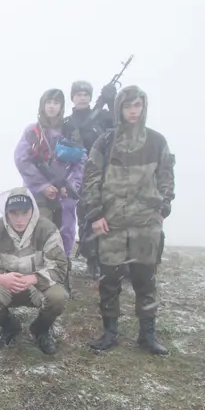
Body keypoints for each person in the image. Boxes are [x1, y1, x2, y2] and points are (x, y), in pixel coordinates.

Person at [82, 86, 175, 355]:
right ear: (119, 108)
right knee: (109, 281)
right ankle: (110, 332)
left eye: (138, 105)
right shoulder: (106, 142)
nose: (133, 111)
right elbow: (91, 179)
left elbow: (167, 177)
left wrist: (163, 209)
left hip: (146, 226)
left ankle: (148, 335)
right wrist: (96, 214)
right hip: (111, 225)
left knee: (146, 281)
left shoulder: (157, 141)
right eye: (128, 106)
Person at [0, 188, 68, 355]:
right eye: (13, 213)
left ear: (33, 210)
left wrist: (34, 278)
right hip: (5, 285)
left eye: (24, 212)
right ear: (6, 212)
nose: (19, 219)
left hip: (37, 285)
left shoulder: (47, 229)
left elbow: (59, 266)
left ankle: (41, 329)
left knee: (59, 297)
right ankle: (9, 326)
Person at [14, 89, 85, 295]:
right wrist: (42, 186)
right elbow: (22, 160)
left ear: (62, 106)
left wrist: (70, 185)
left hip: (65, 196)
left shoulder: (71, 130)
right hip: (39, 196)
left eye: (56, 102)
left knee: (66, 234)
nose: (52, 106)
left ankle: (62, 275)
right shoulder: (33, 131)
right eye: (49, 102)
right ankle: (37, 278)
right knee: (41, 233)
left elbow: (81, 160)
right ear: (42, 105)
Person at [63, 81, 116, 279]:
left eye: (86, 94)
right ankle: (91, 260)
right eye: (78, 94)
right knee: (85, 216)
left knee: (106, 214)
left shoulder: (102, 116)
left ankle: (107, 259)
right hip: (78, 174)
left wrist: (111, 101)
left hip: (104, 172)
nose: (82, 97)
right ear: (73, 98)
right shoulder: (67, 122)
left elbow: (120, 123)